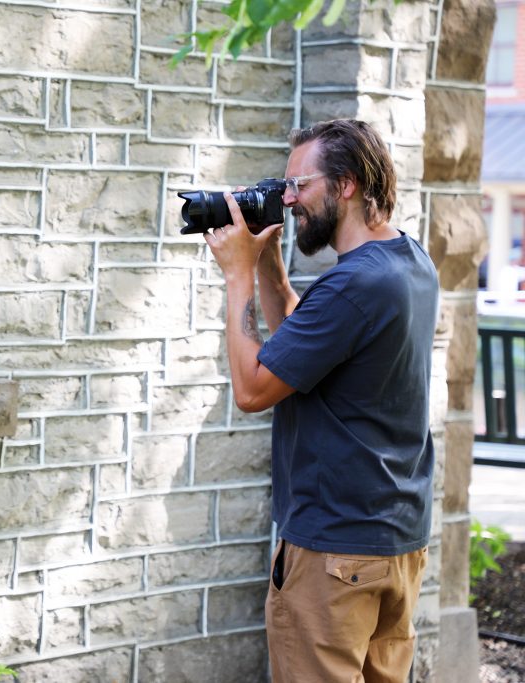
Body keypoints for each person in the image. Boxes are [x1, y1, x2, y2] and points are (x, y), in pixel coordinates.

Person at [202, 119, 439, 683]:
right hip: (394, 543)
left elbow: (253, 389)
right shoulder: (408, 262)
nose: (287, 199)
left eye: (300, 186)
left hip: (333, 549)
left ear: (347, 184)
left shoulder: (352, 286)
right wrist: (266, 260)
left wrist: (235, 276)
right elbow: (303, 342)